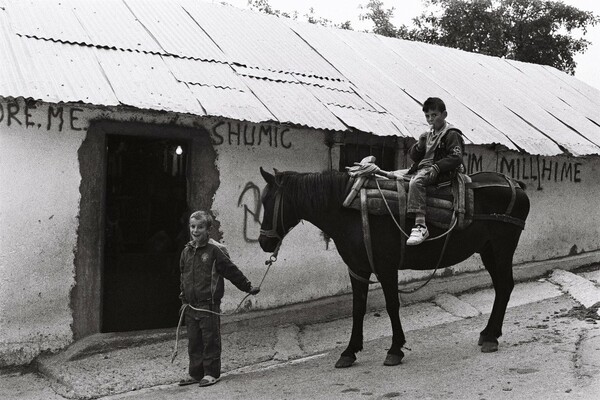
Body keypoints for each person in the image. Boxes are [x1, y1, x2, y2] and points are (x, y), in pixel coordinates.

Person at [178, 210, 260, 387]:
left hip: (209, 305)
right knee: (194, 341)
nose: (195, 230)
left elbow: (231, 271)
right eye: (193, 226)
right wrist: (183, 298)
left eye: (200, 227)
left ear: (209, 229)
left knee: (210, 340)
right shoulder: (187, 251)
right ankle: (195, 373)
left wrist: (247, 286)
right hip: (191, 306)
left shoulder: (215, 250)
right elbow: (183, 275)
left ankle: (211, 373)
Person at [405, 97, 465, 246]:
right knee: (397, 175)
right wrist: (419, 145)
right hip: (424, 168)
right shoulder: (429, 134)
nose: (430, 119)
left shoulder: (451, 134)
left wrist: (437, 167)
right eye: (427, 116)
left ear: (444, 115)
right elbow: (414, 156)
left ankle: (420, 225)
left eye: (434, 115)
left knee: (416, 182)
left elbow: (456, 157)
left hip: (442, 172)